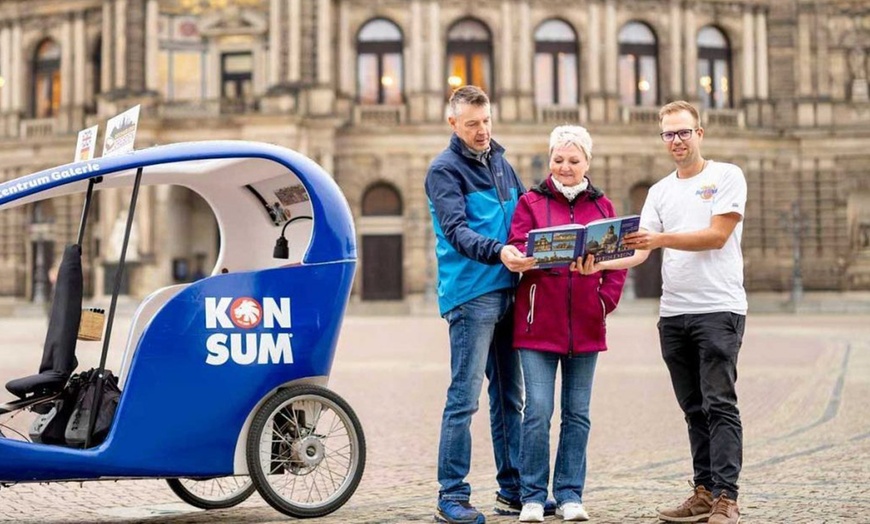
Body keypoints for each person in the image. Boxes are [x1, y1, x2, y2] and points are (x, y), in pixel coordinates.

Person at [576, 100, 747, 524]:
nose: (676, 140)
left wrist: (661, 239)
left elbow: (717, 236)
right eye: (668, 134)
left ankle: (728, 496)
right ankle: (704, 490)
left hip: (718, 308)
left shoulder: (726, 176)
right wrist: (598, 263)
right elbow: (638, 251)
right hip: (674, 314)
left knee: (719, 403)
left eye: (683, 132)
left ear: (699, 133)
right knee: (693, 408)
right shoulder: (659, 191)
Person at [425, 85, 537, 524]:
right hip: (472, 295)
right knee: (464, 398)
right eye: (472, 124)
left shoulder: (501, 163)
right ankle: (450, 495)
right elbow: (455, 230)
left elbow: (528, 211)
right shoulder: (443, 170)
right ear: (453, 123)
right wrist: (499, 251)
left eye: (486, 121)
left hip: (509, 290)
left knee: (511, 397)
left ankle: (511, 491)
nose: (482, 131)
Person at [508, 126, 627, 523]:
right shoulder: (530, 201)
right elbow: (519, 244)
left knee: (578, 413)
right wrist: (532, 255)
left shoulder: (604, 207)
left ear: (587, 163)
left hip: (587, 325)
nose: (565, 167)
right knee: (538, 412)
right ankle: (532, 496)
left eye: (574, 160)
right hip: (538, 323)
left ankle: (570, 493)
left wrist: (603, 299)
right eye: (558, 159)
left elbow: (617, 263)